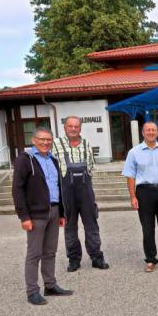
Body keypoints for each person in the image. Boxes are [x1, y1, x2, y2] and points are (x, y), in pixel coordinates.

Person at [12, 127, 73, 305]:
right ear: (33, 140)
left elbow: (58, 187)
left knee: (50, 252)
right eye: (42, 139)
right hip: (36, 214)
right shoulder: (25, 160)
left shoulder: (53, 160)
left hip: (53, 211)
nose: (46, 143)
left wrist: (61, 212)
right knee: (34, 253)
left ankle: (50, 285)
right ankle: (32, 291)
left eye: (49, 140)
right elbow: (17, 189)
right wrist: (24, 217)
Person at [51, 116, 109, 272]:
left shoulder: (86, 144)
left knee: (91, 224)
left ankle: (97, 257)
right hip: (66, 190)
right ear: (65, 128)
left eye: (76, 126)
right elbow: (52, 167)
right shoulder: (56, 144)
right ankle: (74, 259)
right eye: (70, 126)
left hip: (85, 189)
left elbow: (91, 166)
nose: (73, 129)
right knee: (70, 226)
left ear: (80, 128)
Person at [122, 122, 158, 272]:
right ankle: (150, 260)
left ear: (157, 132)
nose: (150, 132)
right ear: (142, 133)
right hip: (144, 192)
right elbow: (130, 176)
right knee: (147, 228)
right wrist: (133, 196)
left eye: (153, 130)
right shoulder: (134, 152)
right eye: (148, 130)